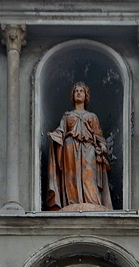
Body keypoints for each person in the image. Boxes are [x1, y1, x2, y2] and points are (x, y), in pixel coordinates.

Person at [46, 82, 112, 211]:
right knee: (71, 175)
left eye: (81, 91)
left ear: (86, 95)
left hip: (88, 148)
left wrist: (103, 146)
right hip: (70, 147)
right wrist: (54, 136)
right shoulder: (67, 116)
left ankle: (91, 200)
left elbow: (98, 135)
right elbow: (61, 131)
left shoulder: (92, 117)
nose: (78, 93)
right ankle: (72, 201)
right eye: (76, 91)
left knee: (89, 175)